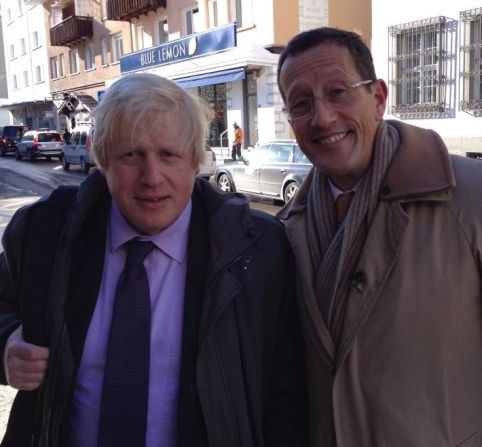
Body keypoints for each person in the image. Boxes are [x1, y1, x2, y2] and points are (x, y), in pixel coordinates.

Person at [0, 73, 307, 446]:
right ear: (102, 158)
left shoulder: (258, 250)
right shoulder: (45, 231)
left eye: (168, 155)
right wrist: (6, 344)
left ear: (196, 160)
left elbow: (286, 395)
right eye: (131, 154)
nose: (151, 177)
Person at [276, 27, 482, 447]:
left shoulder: (470, 199)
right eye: (301, 103)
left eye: (338, 92)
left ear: (378, 98)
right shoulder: (286, 229)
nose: (322, 117)